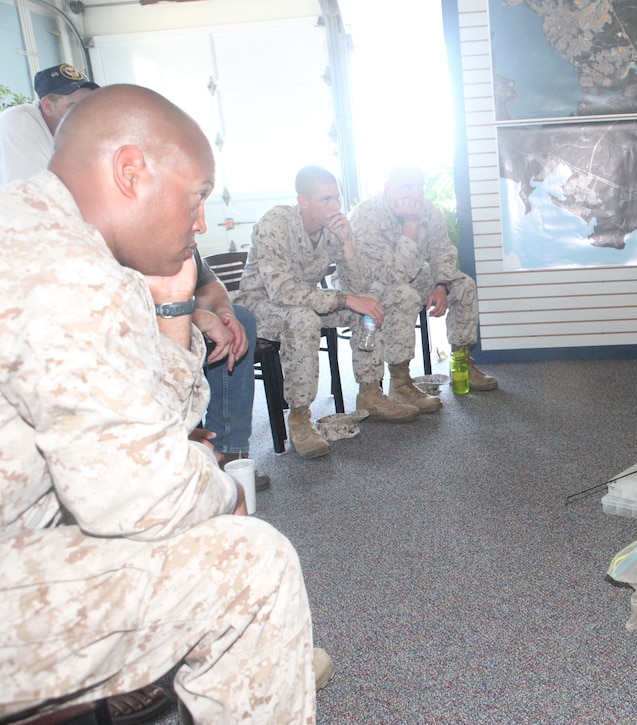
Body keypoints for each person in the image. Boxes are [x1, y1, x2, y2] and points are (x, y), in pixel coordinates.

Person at [0, 84, 321, 722]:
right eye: (196, 196)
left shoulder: (35, 229)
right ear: (130, 172)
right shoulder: (68, 273)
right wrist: (223, 495)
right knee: (251, 568)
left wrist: (174, 310)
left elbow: (144, 425)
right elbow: (145, 498)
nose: (201, 224)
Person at [236, 165, 419, 460]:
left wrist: (347, 243)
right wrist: (345, 299)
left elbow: (358, 286)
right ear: (303, 201)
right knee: (303, 318)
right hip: (262, 305)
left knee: (368, 305)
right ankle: (299, 417)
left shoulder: (332, 228)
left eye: (337, 198)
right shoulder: (275, 223)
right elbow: (282, 291)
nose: (335, 206)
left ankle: (370, 393)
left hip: (307, 301)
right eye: (326, 200)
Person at [347, 163, 497, 413]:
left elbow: (443, 251)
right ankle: (401, 382)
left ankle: (462, 363)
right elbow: (394, 275)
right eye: (407, 187)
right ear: (388, 188)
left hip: (410, 276)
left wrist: (441, 284)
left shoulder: (427, 208)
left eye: (419, 187)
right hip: (371, 288)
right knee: (404, 295)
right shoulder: (366, 215)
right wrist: (411, 225)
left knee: (463, 285)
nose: (415, 193)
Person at [194, 251, 271, 490]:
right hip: (138, 337)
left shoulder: (185, 241)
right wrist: (196, 318)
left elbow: (209, 286)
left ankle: (228, 451)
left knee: (242, 318)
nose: (200, 225)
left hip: (183, 322)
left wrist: (223, 315)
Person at [0, 63, 98, 184]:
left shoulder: (73, 129)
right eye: (73, 106)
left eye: (87, 104)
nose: (85, 113)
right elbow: (36, 193)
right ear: (47, 106)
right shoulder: (19, 121)